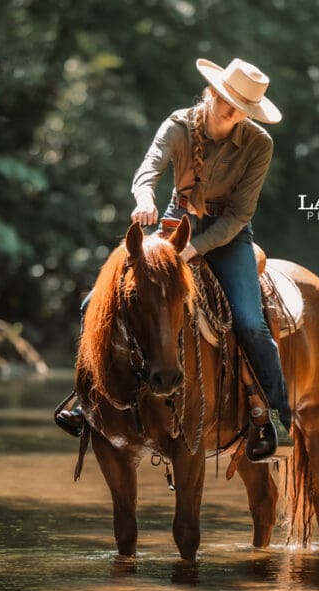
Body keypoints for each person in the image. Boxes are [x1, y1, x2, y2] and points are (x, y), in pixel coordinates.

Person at [56, 57, 292, 461]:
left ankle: (276, 421)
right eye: (223, 98)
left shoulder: (259, 145)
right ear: (211, 92)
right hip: (175, 218)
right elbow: (149, 166)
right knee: (94, 301)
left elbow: (239, 215)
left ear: (249, 113)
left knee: (251, 324)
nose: (227, 108)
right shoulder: (180, 126)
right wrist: (144, 198)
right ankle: (87, 400)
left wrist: (195, 249)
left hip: (228, 235)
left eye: (239, 106)